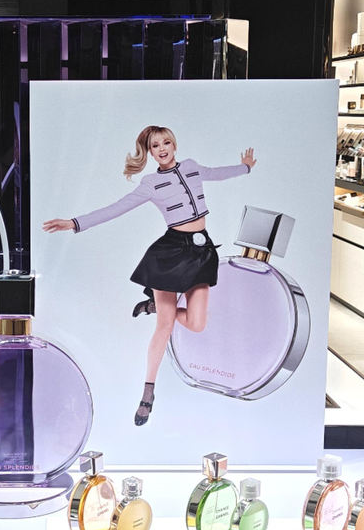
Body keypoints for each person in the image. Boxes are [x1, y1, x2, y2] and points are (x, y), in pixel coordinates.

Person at [43, 125, 256, 426]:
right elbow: (117, 208)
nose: (162, 149)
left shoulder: (192, 167)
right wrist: (75, 223)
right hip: (170, 253)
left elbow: (218, 173)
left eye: (166, 142)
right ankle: (147, 392)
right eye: (156, 146)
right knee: (164, 326)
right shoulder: (150, 183)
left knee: (197, 324)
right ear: (150, 152)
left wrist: (245, 168)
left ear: (174, 145)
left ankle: (154, 306)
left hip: (201, 251)